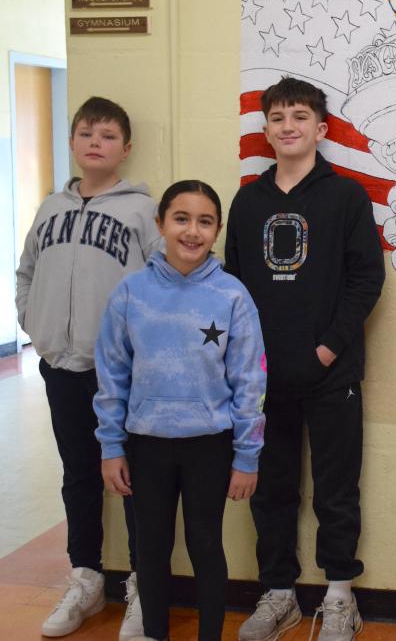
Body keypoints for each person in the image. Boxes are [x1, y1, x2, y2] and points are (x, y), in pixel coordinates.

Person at [226, 77, 385, 641]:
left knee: (336, 488)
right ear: (265, 130)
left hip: (330, 373)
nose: (287, 125)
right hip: (263, 379)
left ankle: (340, 594)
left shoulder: (345, 196)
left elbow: (367, 279)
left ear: (320, 128)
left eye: (299, 116)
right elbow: (234, 289)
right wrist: (245, 360)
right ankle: (278, 594)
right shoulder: (248, 200)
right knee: (271, 487)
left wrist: (328, 345)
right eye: (276, 117)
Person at [94, 180, 266, 641]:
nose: (192, 231)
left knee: (206, 546)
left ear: (217, 231)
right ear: (161, 225)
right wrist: (112, 446)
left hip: (210, 447)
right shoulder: (130, 294)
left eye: (205, 221)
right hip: (145, 446)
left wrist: (246, 456)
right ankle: (155, 633)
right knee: (149, 551)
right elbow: (111, 376)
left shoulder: (233, 296)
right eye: (181, 219)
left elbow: (251, 382)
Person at [15, 96, 160, 640]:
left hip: (124, 373)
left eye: (106, 135)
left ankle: (146, 589)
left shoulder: (141, 211)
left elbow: (164, 280)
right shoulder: (50, 207)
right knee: (79, 474)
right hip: (62, 369)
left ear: (126, 148)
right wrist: (35, 324)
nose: (94, 142)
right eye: (84, 133)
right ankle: (86, 576)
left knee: (136, 478)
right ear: (73, 142)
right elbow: (26, 269)